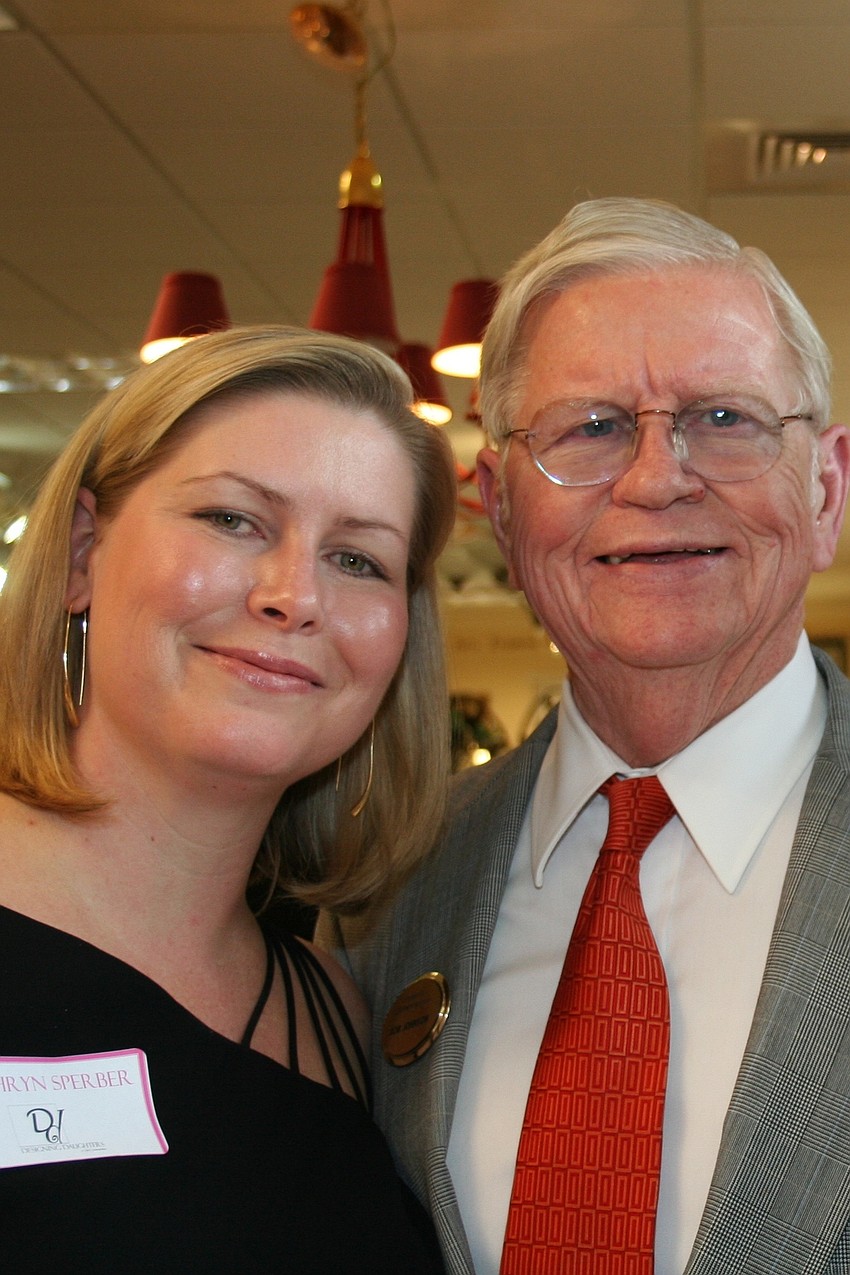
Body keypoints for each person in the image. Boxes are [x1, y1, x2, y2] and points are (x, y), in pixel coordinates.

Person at [318, 198, 850, 1275]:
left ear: (829, 489)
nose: (657, 478)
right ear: (499, 512)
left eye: (726, 419)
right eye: (591, 428)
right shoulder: (390, 887)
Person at [0, 324, 456, 1272]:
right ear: (85, 551)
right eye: (233, 520)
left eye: (359, 559)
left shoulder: (342, 1013)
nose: (296, 596)